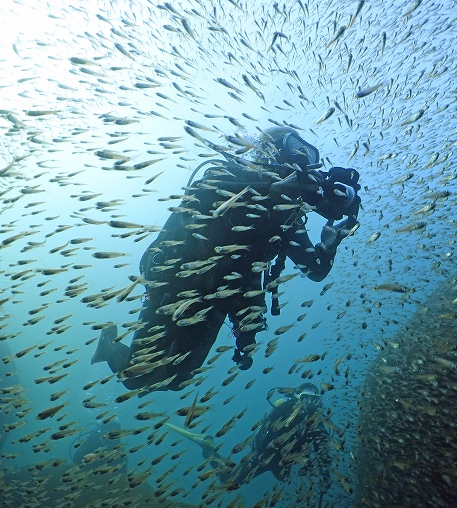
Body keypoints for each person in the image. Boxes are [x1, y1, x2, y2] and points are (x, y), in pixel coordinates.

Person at [91, 127, 361, 391]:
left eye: (309, 153)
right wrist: (270, 189)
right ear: (271, 149)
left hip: (223, 299)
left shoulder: (287, 217)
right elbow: (202, 199)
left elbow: (314, 270)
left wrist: (329, 245)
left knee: (178, 379)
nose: (302, 155)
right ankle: (107, 344)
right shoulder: (231, 174)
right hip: (178, 283)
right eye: (294, 147)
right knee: (135, 376)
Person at [166, 383, 337, 502]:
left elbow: (323, 451)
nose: (309, 403)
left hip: (284, 463)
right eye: (306, 398)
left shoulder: (317, 424)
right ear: (297, 397)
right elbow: (268, 432)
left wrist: (325, 475)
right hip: (263, 456)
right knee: (229, 482)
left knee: (286, 482)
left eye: (314, 400)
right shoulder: (284, 410)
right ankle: (208, 447)